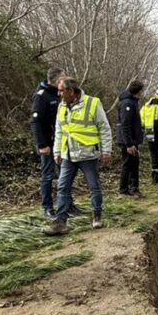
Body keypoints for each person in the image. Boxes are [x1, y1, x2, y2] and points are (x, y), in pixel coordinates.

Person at [45, 77, 113, 235]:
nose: (58, 94)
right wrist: (57, 151)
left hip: (87, 154)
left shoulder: (92, 103)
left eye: (61, 91)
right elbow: (59, 130)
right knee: (62, 187)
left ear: (71, 91)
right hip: (68, 155)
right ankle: (61, 221)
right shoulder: (62, 106)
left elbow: (104, 127)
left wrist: (106, 151)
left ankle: (97, 215)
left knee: (93, 186)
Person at [31, 67, 65, 218]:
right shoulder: (41, 96)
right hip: (47, 143)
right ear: (56, 80)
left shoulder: (59, 94)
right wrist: (42, 145)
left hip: (60, 141)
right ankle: (48, 207)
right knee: (48, 175)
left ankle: (66, 204)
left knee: (64, 174)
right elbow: (35, 121)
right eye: (62, 78)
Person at [116, 79, 145, 197]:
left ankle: (133, 188)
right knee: (128, 164)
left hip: (132, 140)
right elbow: (125, 124)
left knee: (133, 164)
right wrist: (129, 144)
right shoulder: (127, 103)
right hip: (128, 141)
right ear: (138, 92)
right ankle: (124, 190)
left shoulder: (132, 102)